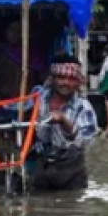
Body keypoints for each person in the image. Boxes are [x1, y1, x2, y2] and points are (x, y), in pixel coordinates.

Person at [29, 56, 99, 191]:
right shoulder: (39, 98)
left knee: (70, 207)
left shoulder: (84, 107)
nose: (66, 83)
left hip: (71, 170)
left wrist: (64, 121)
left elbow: (83, 141)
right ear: (53, 79)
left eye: (71, 79)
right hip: (43, 166)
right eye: (61, 78)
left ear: (78, 82)